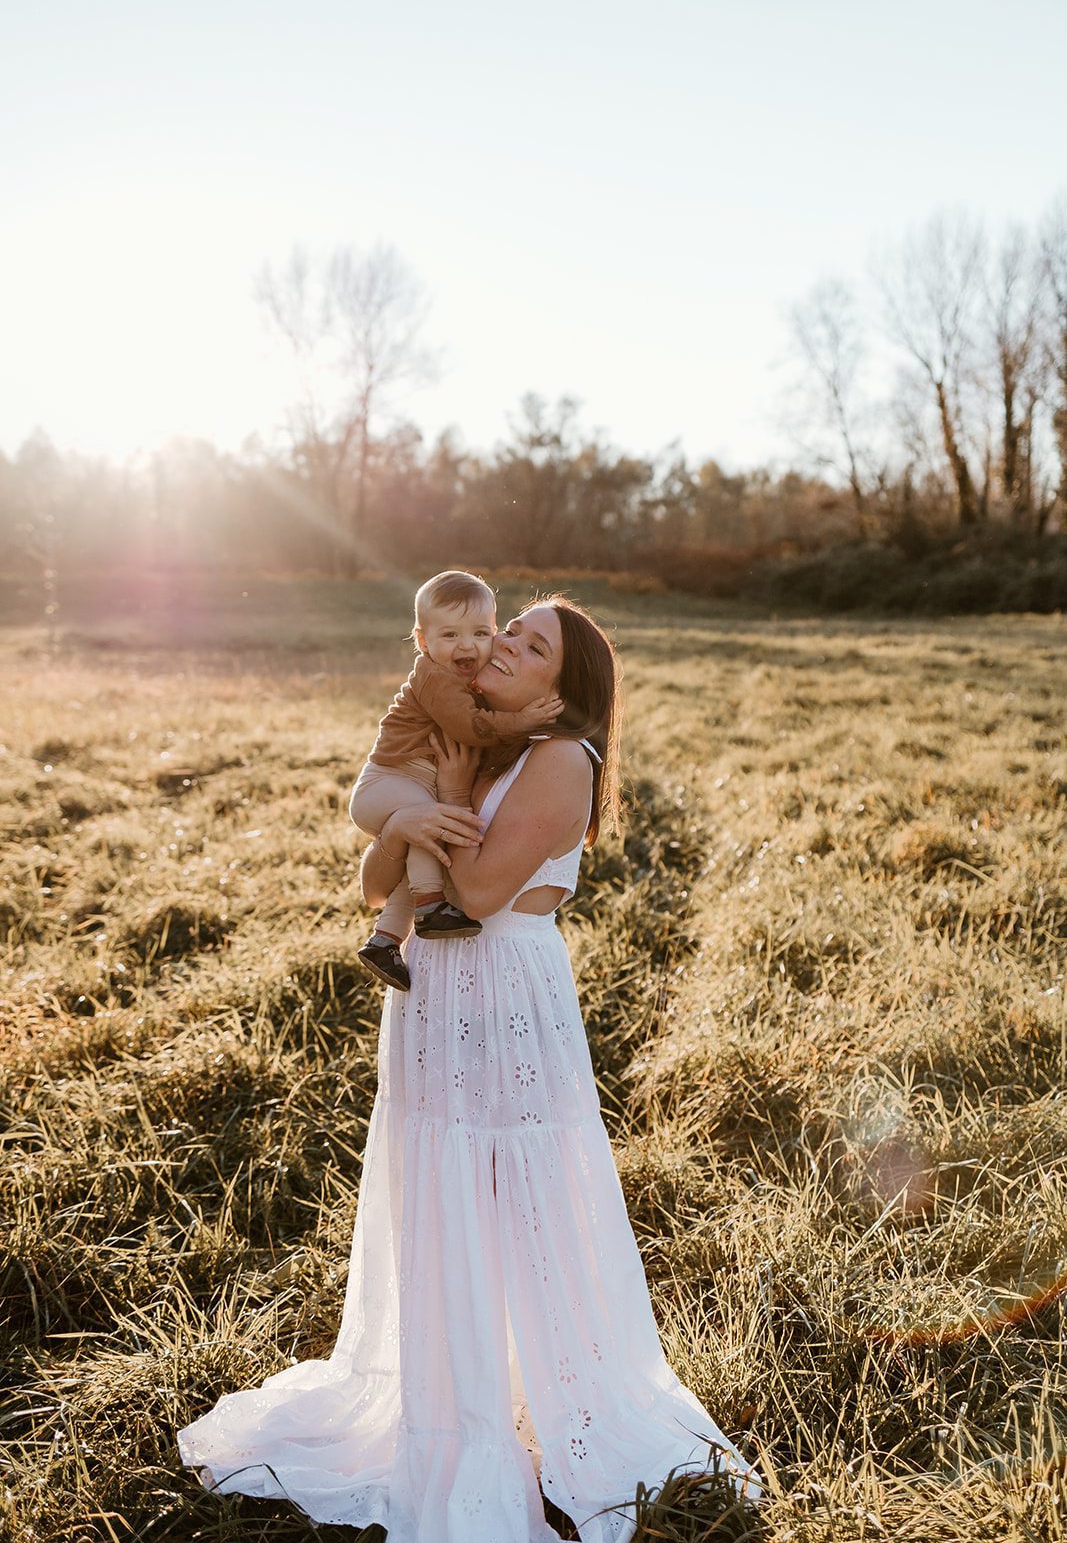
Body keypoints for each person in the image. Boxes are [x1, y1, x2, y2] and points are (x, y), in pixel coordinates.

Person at [177, 595, 761, 1540]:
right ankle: (447, 1402)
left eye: (527, 645)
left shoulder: (563, 759)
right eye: (505, 631)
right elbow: (376, 882)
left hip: (501, 993)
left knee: (511, 1189)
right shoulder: (477, 746)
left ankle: (531, 1412)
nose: (498, 646)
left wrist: (436, 814)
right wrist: (432, 806)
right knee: (439, 1186)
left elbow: (482, 893)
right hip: (429, 998)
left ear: (558, 687)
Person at [349, 569, 563, 992]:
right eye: (450, 636)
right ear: (423, 642)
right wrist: (520, 720)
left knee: (427, 839)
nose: (468, 646)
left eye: (481, 633)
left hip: (408, 788)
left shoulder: (556, 758)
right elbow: (467, 727)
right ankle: (430, 907)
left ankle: (385, 940)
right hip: (388, 781)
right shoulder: (436, 676)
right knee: (432, 824)